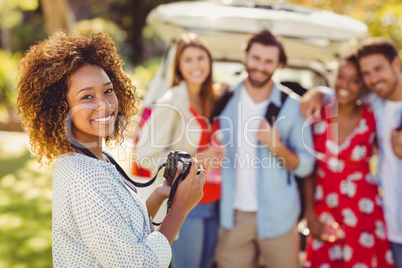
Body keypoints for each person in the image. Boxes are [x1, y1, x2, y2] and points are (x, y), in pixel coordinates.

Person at [16, 31, 206, 267]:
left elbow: (122, 233)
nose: (104, 105)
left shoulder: (94, 159)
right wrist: (181, 207)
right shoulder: (85, 179)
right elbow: (138, 264)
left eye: (108, 90)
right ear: (61, 108)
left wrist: (161, 193)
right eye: (86, 97)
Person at [214, 29, 315, 268]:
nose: (260, 66)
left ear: (279, 64)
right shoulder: (223, 100)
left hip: (279, 217)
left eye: (269, 61)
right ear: (245, 57)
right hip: (233, 216)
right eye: (256, 58)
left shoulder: (293, 106)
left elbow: (306, 166)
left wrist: (277, 147)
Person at [300, 37, 402, 267]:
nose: (372, 78)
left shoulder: (370, 111)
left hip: (364, 212)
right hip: (327, 210)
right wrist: (315, 91)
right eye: (368, 73)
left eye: (357, 79)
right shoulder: (321, 113)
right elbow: (309, 165)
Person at [135, 32, 225, 268]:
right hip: (185, 202)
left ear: (210, 62)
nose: (196, 65)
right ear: (179, 67)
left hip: (213, 200)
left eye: (200, 58)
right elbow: (144, 155)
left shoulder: (211, 97)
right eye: (188, 60)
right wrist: (196, 159)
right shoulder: (173, 99)